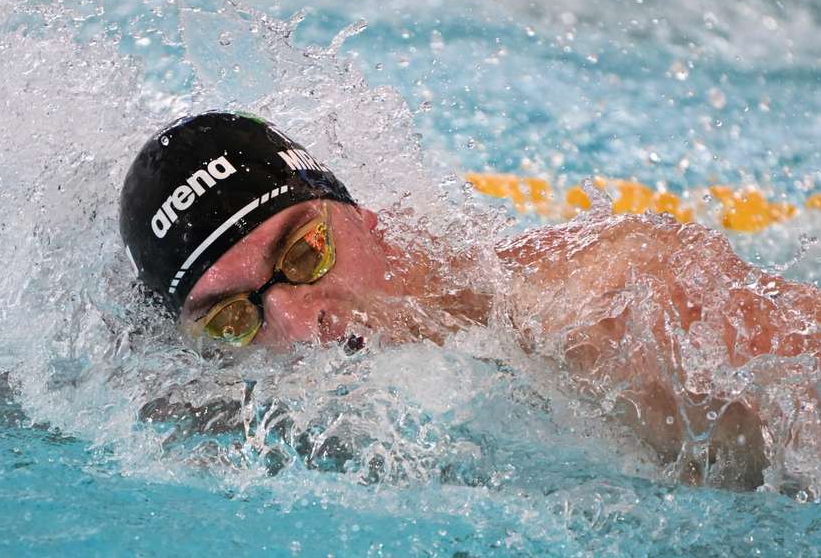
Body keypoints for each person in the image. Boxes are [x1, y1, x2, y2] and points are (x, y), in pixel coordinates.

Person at [120, 111, 820, 490]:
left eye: (305, 254)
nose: (303, 327)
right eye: (234, 318)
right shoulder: (229, 401)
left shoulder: (605, 307)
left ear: (368, 220)